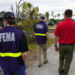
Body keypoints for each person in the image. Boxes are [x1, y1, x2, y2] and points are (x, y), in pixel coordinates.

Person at [54, 9, 75, 75]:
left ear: (64, 15)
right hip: (71, 46)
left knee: (61, 58)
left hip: (62, 45)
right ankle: (65, 73)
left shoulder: (60, 25)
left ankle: (60, 71)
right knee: (68, 62)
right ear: (71, 15)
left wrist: (55, 46)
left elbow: (56, 36)